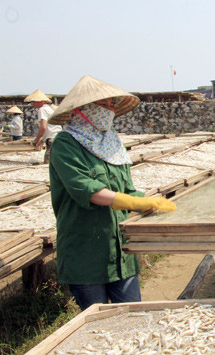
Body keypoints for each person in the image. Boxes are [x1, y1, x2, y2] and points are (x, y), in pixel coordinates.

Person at [48, 75, 176, 310]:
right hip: (87, 250)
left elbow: (127, 189)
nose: (109, 111)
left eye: (112, 106)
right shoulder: (65, 144)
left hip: (121, 251)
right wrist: (129, 201)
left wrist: (148, 202)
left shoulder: (111, 144)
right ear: (83, 109)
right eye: (104, 105)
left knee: (131, 315)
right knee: (97, 322)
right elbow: (86, 189)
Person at [24, 89, 62, 163]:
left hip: (52, 137)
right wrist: (42, 140)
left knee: (49, 161)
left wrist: (36, 140)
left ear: (40, 102)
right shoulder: (48, 109)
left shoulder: (42, 110)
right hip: (56, 135)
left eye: (34, 102)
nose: (33, 104)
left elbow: (43, 127)